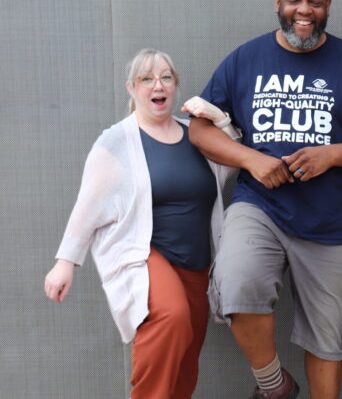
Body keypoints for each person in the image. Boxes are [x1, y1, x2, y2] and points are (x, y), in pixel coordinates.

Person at [189, 0, 342, 399]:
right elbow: (201, 129)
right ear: (277, 2)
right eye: (294, 1)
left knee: (327, 336)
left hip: (335, 220)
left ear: (328, 5)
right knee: (236, 283)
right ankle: (274, 386)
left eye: (315, 2)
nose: (304, 11)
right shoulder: (245, 59)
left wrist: (333, 155)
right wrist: (250, 159)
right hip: (260, 206)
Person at [42, 49, 238, 398]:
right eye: (146, 79)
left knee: (185, 357)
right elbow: (88, 204)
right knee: (171, 317)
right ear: (131, 88)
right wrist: (65, 263)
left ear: (175, 86)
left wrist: (218, 121)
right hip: (144, 255)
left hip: (196, 264)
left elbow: (231, 163)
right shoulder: (118, 140)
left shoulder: (193, 134)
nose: (156, 85)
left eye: (165, 77)